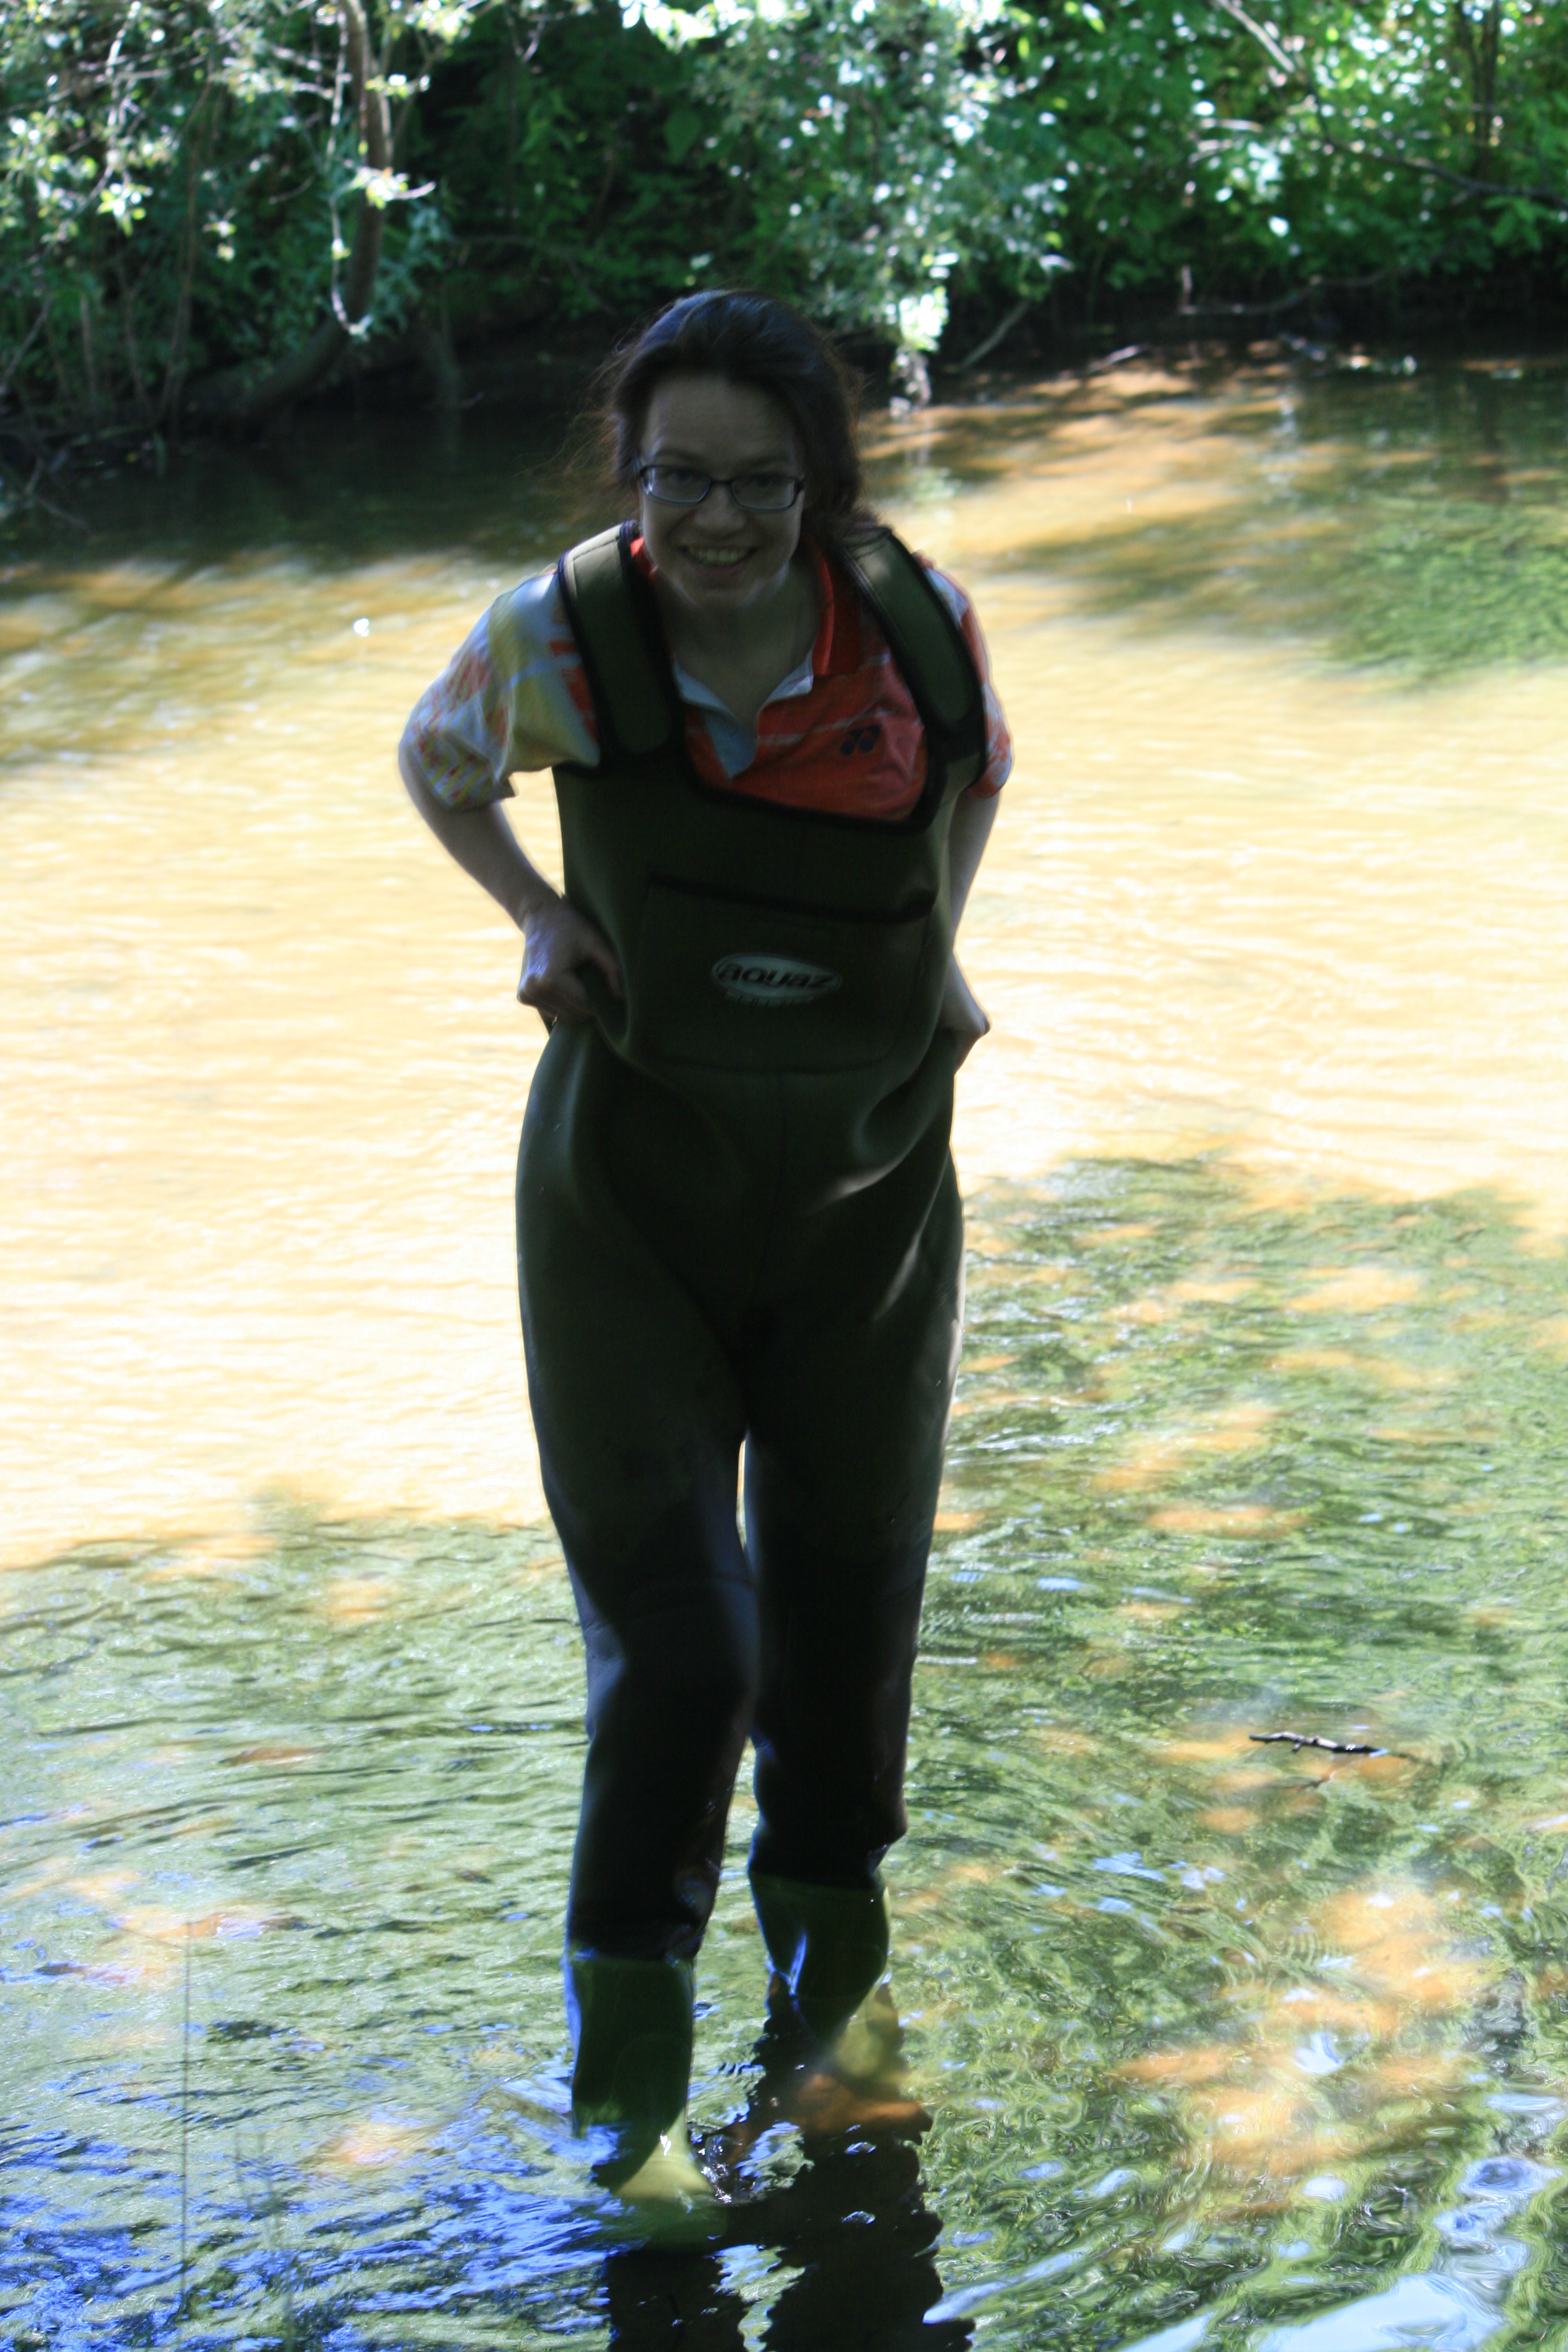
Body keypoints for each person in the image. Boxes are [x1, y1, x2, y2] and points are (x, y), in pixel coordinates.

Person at [399, 290, 1011, 2210]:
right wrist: (531, 911)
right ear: (632, 476)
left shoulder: (916, 631)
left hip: (868, 1214)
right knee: (687, 1651)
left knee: (844, 1639)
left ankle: (837, 2039)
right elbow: (434, 760)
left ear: (821, 481)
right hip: (628, 1216)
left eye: (761, 483)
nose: (719, 521)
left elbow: (980, 779)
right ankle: (632, 2111)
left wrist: (932, 954)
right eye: (681, 480)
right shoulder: (564, 635)